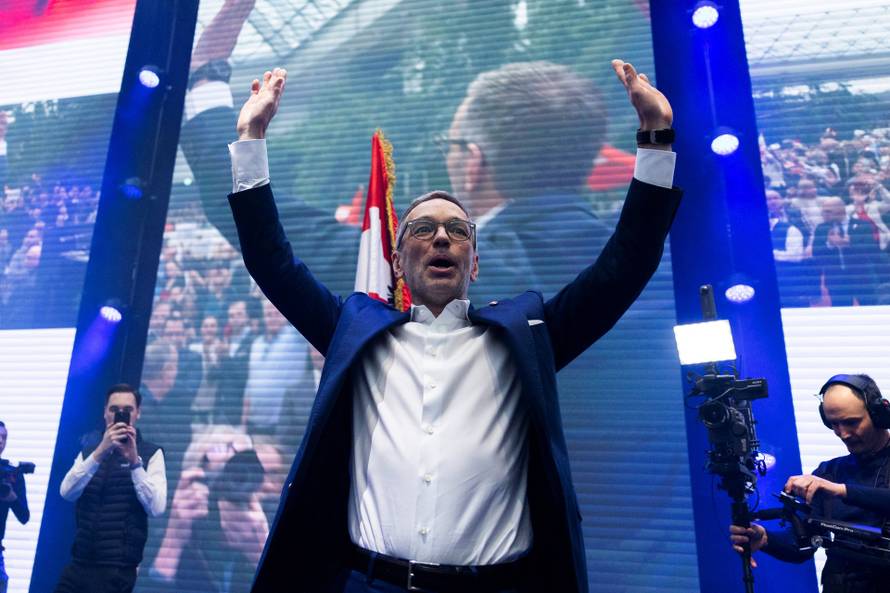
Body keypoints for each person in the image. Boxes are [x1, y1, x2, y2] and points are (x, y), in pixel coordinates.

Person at [227, 57, 679, 593]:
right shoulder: (356, 331)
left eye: (458, 230)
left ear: (475, 262)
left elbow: (624, 266)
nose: (441, 238)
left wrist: (656, 139)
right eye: (422, 228)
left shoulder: (526, 340)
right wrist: (251, 137)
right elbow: (272, 261)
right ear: (397, 262)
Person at [730, 374, 890, 593]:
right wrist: (766, 539)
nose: (842, 433)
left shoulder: (829, 484)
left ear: (879, 415)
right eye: (834, 424)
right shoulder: (830, 472)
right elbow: (803, 544)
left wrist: (840, 490)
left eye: (852, 422)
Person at [55, 384, 167, 593]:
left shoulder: (151, 453)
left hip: (117, 569)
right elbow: (67, 492)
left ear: (138, 413)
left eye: (128, 410)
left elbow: (157, 508)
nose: (120, 415)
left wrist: (135, 462)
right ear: (105, 412)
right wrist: (99, 453)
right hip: (79, 562)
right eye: (114, 410)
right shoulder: (90, 451)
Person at [0, 421, 29, 593]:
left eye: (4, 437)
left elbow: (24, 517)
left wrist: (12, 497)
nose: (0, 441)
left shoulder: (11, 474)